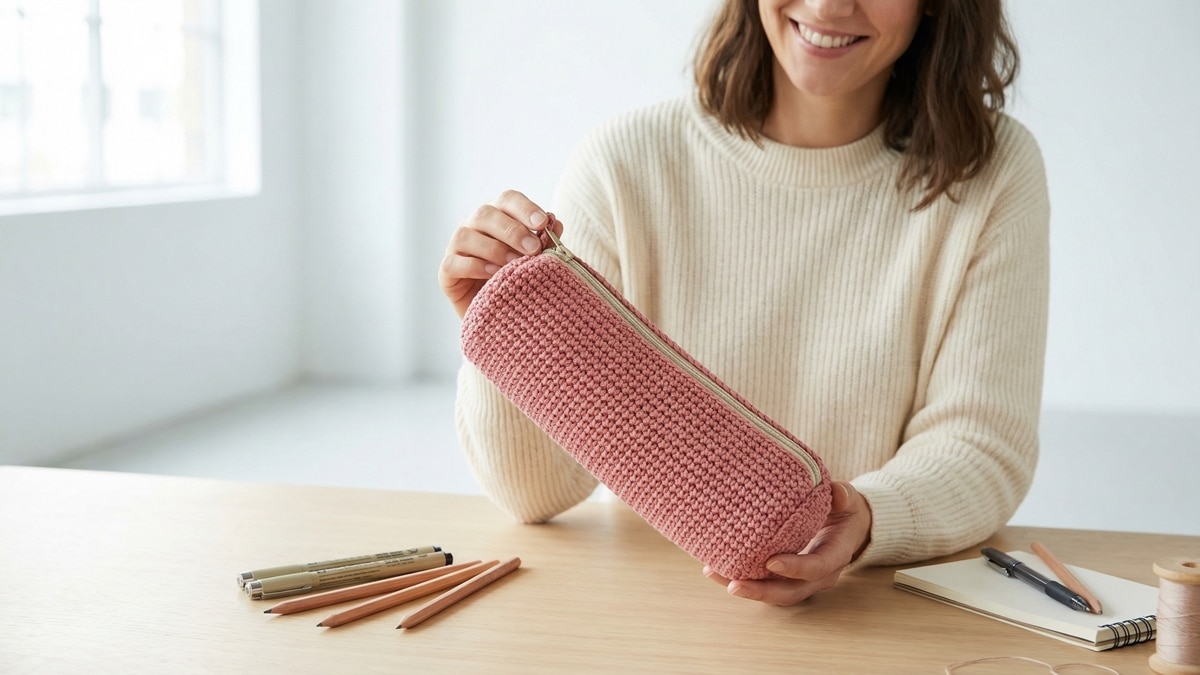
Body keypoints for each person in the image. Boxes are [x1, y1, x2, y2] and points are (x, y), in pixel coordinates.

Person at [438, 0, 1048, 607]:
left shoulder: (990, 171)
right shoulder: (627, 164)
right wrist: (506, 333)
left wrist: (866, 519)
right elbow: (534, 495)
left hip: (870, 612)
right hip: (648, 611)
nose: (828, 6)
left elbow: (979, 442)